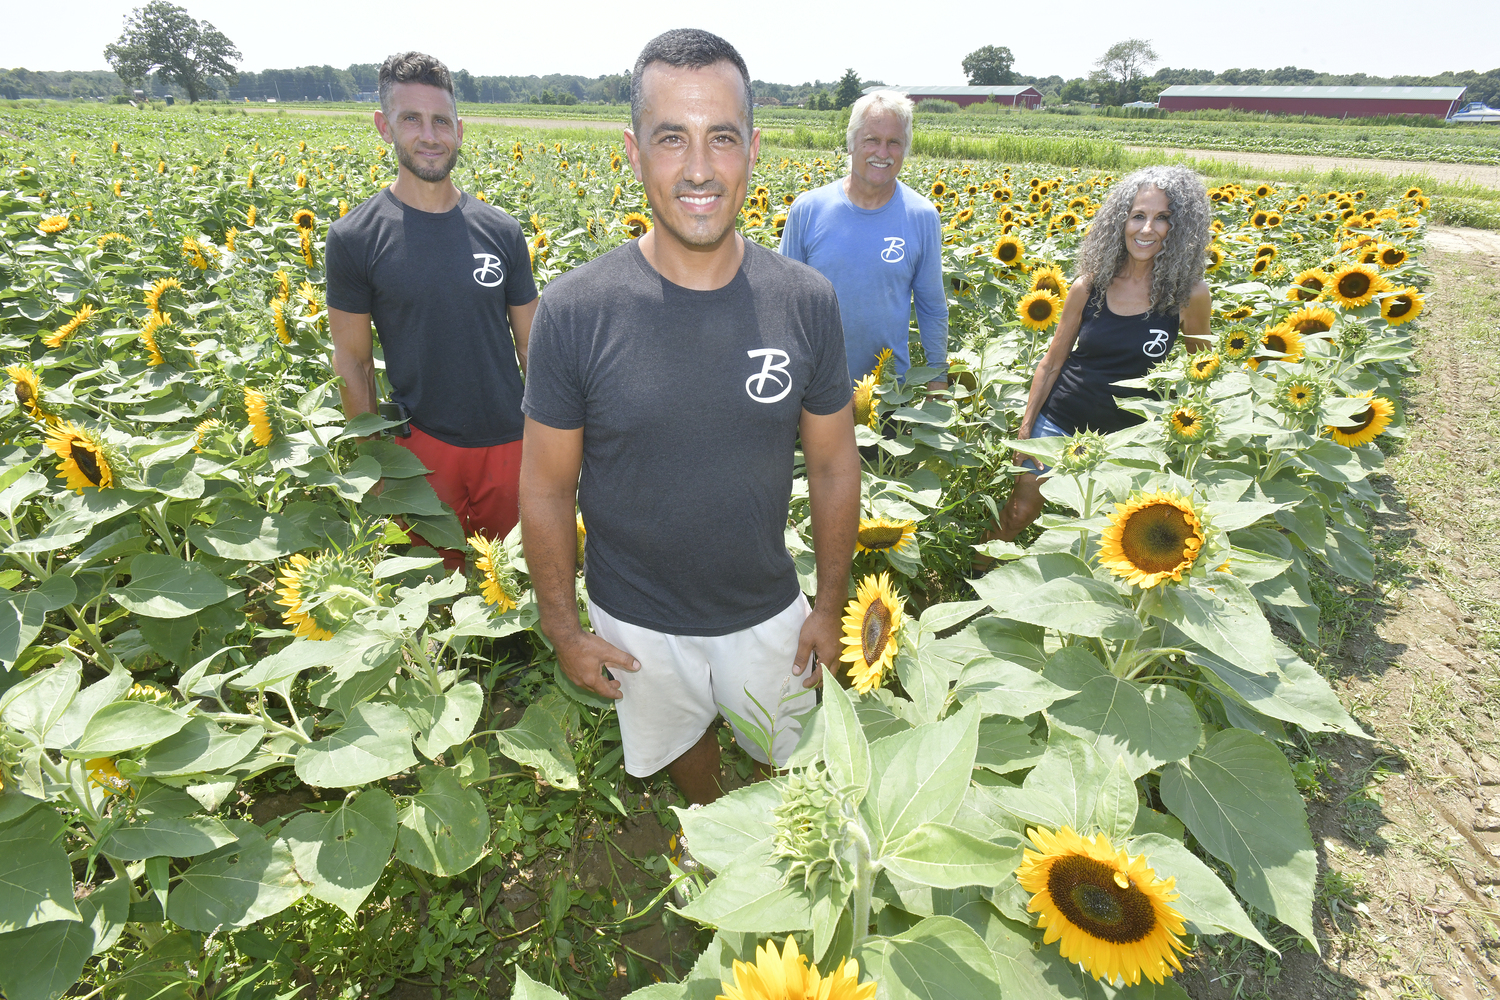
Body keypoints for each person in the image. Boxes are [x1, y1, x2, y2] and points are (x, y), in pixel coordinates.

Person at [519, 29, 860, 806]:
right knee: (680, 740)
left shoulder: (804, 301)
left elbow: (838, 464)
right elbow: (543, 486)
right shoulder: (576, 310)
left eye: (722, 138)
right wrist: (564, 628)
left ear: (753, 150)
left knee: (789, 757)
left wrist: (830, 604)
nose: (699, 168)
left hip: (765, 606)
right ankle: (706, 826)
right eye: (672, 138)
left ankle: (779, 843)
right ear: (635, 151)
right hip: (635, 621)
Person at [326, 51, 539, 571]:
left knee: (517, 586)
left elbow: (532, 346)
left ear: (459, 130)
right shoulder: (355, 237)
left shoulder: (501, 231)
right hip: (421, 446)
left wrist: (552, 444)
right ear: (384, 126)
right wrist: (376, 463)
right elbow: (352, 361)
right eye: (411, 119)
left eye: (441, 120)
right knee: (433, 592)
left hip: (513, 440)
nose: (429, 135)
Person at [996, 165, 1213, 541]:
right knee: (1020, 512)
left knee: (1105, 536)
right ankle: (979, 577)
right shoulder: (1090, 285)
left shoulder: (1188, 295)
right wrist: (1028, 426)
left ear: (1180, 231)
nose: (1147, 229)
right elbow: (1052, 362)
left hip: (1129, 438)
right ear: (1120, 222)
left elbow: (1200, 372)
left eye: (1162, 218)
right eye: (1138, 216)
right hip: (1061, 420)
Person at [778, 90, 948, 392]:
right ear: (851, 142)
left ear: (905, 148)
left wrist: (937, 379)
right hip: (813, 388)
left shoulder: (921, 216)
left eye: (894, 142)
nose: (882, 153)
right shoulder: (808, 210)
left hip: (889, 393)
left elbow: (931, 306)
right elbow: (783, 301)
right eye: (871, 139)